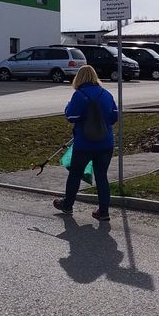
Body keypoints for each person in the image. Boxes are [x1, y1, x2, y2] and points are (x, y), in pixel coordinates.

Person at [53, 65, 118, 221]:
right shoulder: (106, 94)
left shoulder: (79, 95)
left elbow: (71, 117)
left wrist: (69, 107)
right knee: (102, 176)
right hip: (105, 142)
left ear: (79, 78)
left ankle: (67, 205)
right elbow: (114, 118)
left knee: (75, 174)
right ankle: (103, 211)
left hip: (85, 144)